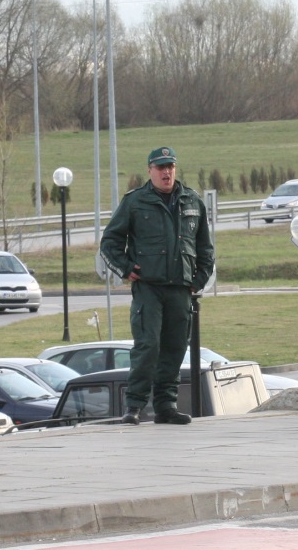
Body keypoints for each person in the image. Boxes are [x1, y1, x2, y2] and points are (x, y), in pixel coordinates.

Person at [100, 147, 215, 426]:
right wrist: (127, 269)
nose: (166, 172)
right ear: (150, 170)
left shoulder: (192, 201)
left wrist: (197, 281)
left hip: (180, 288)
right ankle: (135, 406)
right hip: (149, 288)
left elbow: (205, 248)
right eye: (161, 167)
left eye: (170, 167)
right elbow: (110, 242)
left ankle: (166, 406)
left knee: (175, 347)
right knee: (148, 345)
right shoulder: (136, 202)